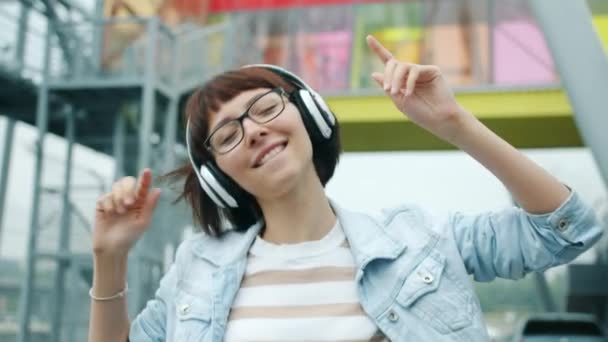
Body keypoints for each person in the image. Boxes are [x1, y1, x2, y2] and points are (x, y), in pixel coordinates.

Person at [88, 35, 603, 342]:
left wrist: (454, 123)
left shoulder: (418, 241)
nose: (253, 130)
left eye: (265, 108)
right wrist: (109, 259)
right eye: (227, 134)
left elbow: (566, 230)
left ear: (309, 114)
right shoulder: (197, 266)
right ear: (218, 178)